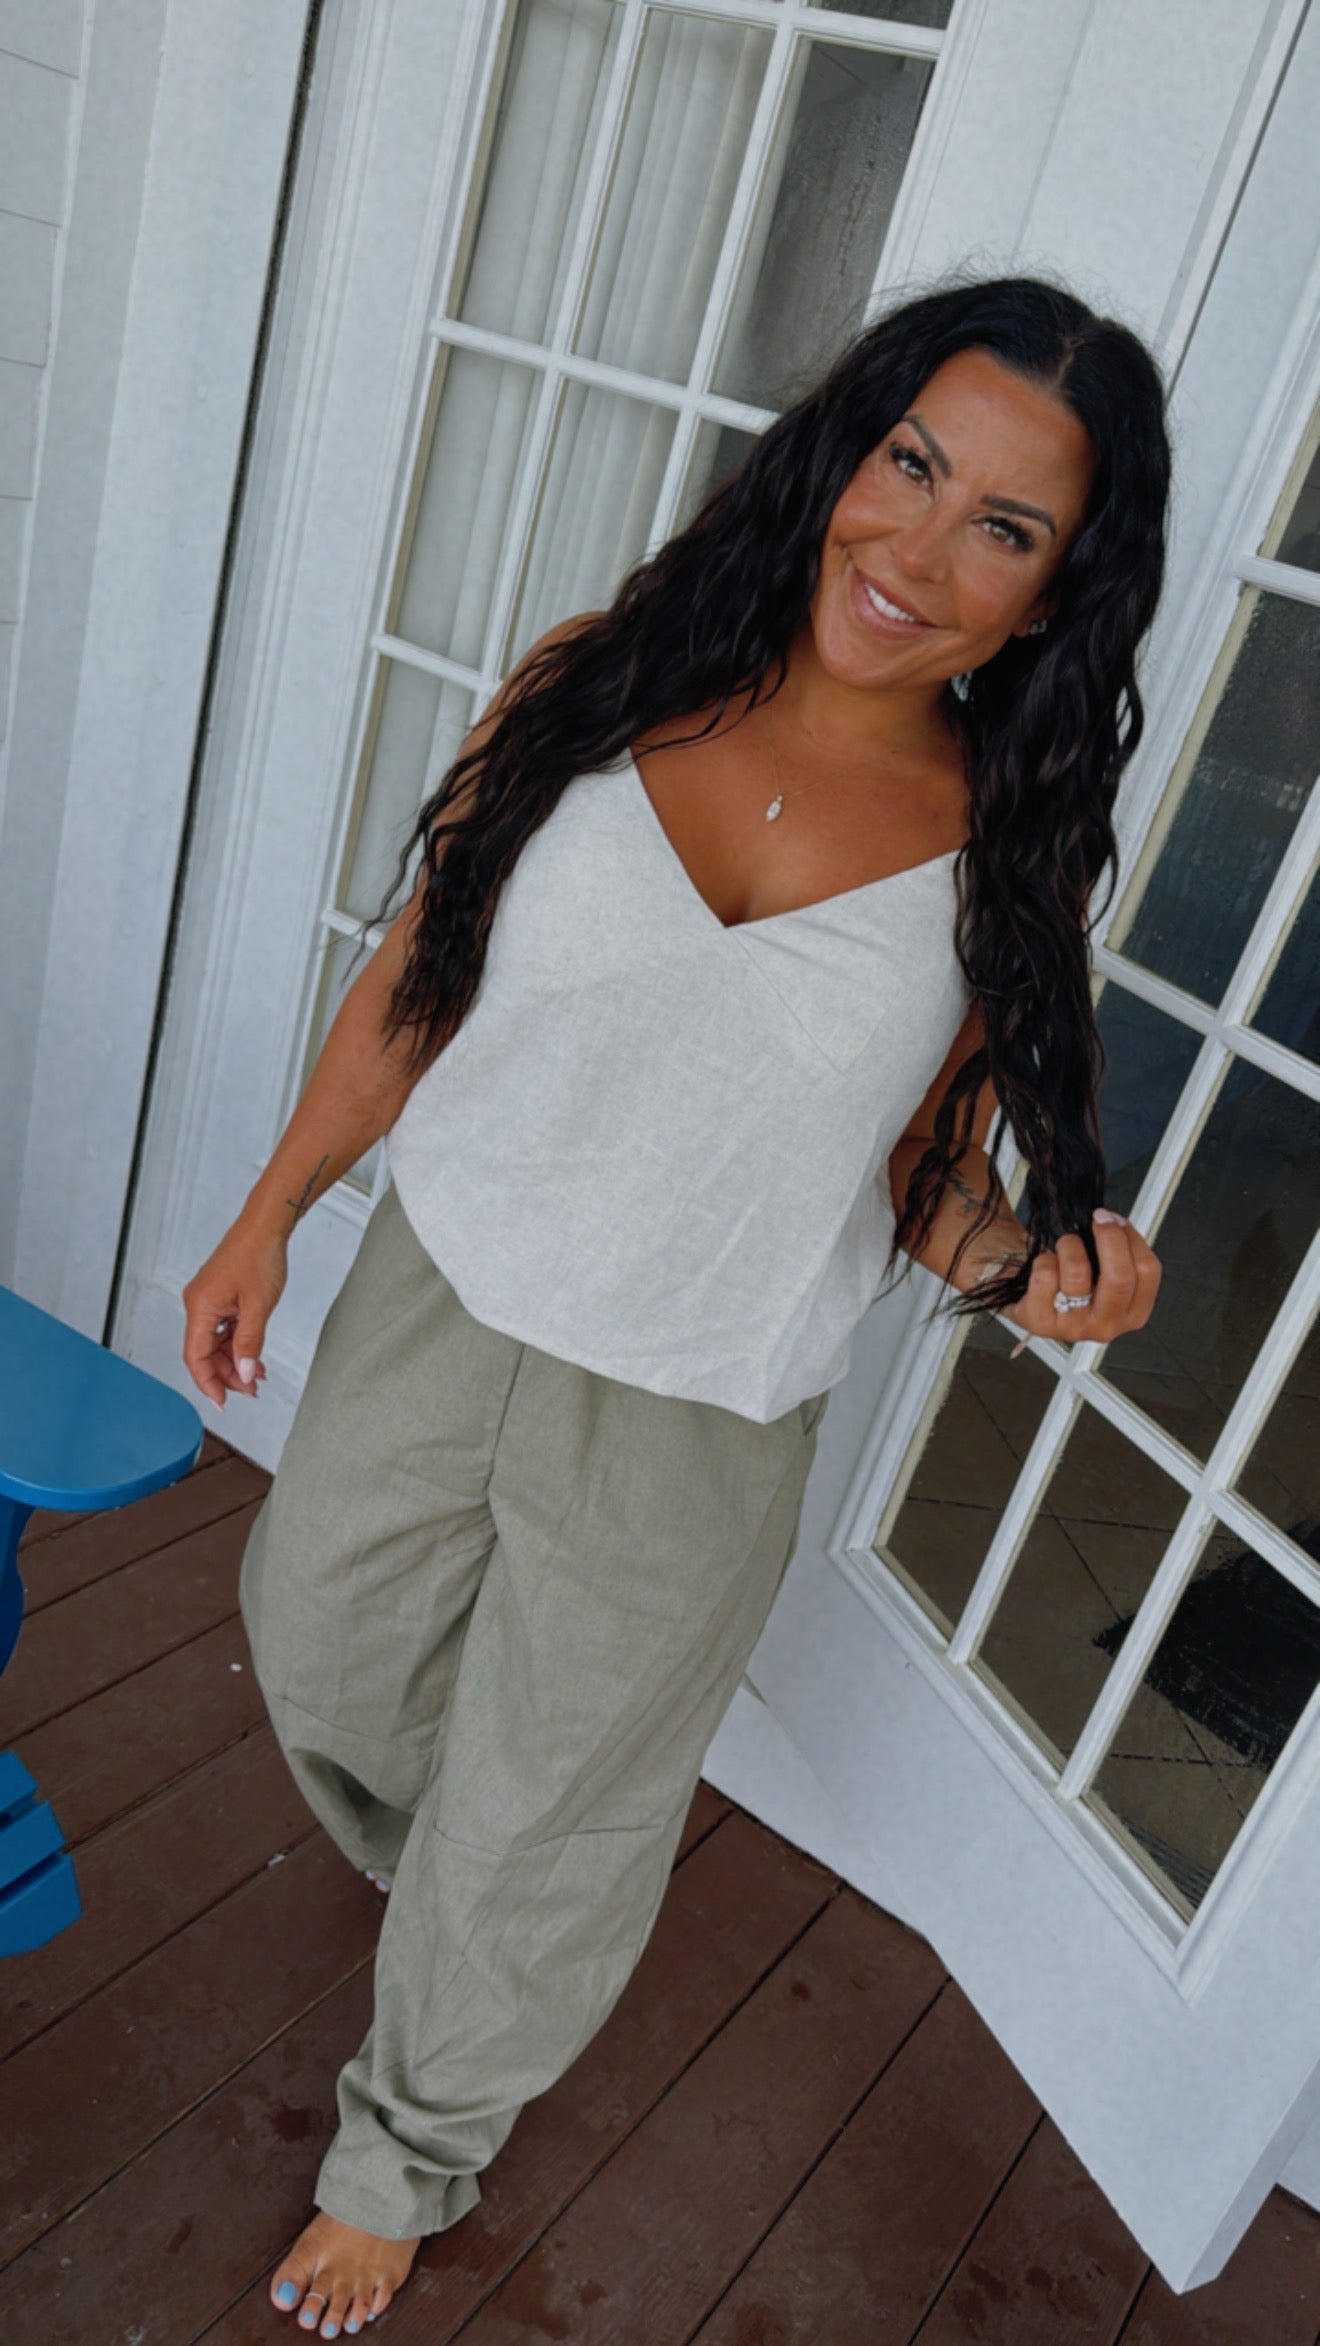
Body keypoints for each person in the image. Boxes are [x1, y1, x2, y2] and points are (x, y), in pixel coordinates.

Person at [182, 272, 1169, 2336]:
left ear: (1053, 595)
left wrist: (1029, 1270)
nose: (920, 547)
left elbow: (924, 1180)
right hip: (449, 1293)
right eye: (911, 463)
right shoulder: (595, 682)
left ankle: (405, 2147)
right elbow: (419, 975)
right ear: (842, 451)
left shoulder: (1003, 858)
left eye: (1002, 526)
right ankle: (471, 1892)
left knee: (550, 1814)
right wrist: (272, 1209)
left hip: (700, 1406)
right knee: (321, 1635)